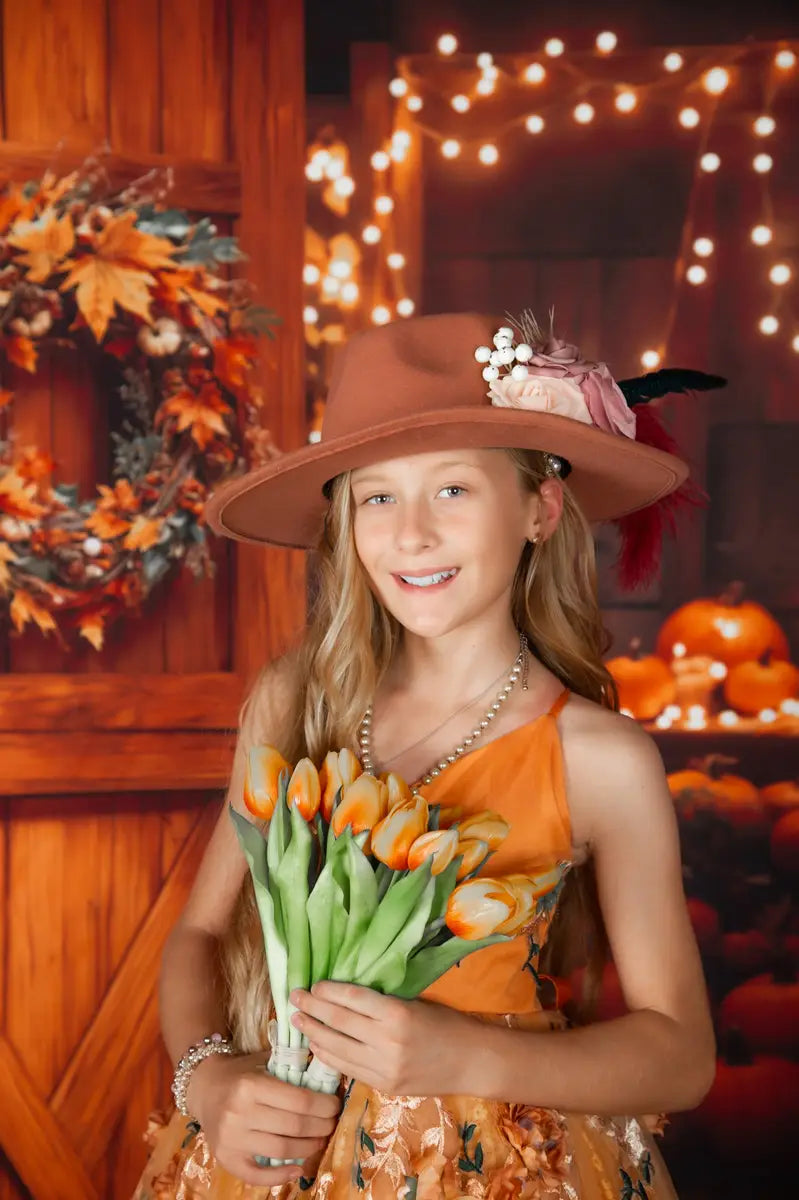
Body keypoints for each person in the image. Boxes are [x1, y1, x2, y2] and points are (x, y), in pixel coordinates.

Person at [133, 311, 718, 1199]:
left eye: (452, 490)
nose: (410, 534)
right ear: (345, 522)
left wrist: (459, 1052)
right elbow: (200, 933)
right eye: (376, 496)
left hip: (493, 1168)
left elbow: (680, 1054)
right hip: (279, 1153)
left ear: (539, 508)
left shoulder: (598, 757)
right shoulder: (297, 705)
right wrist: (207, 1079)